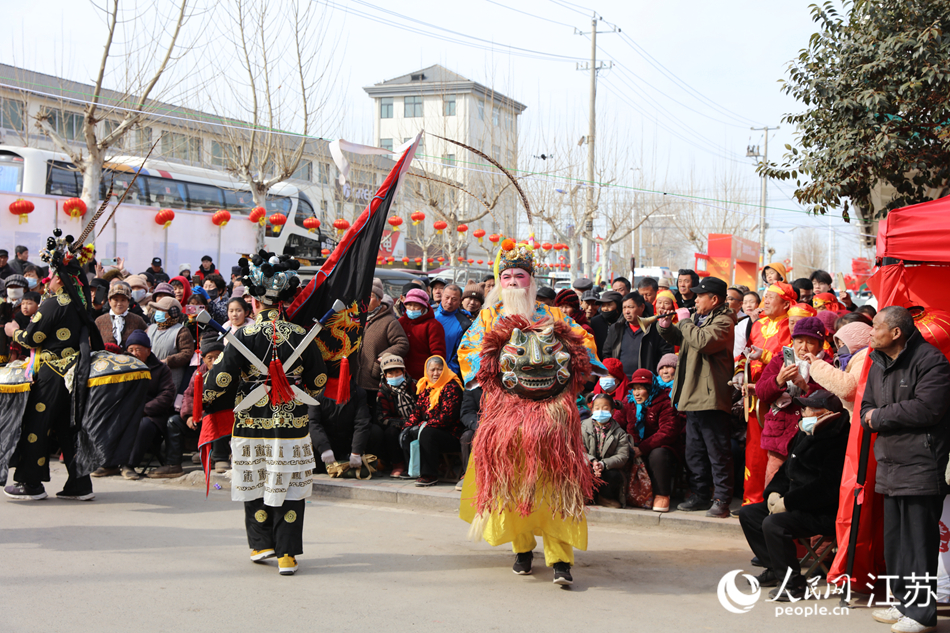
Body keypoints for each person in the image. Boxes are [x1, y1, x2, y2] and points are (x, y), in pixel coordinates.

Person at [458, 240, 603, 585]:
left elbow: (588, 348)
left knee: (556, 485)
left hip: (552, 418)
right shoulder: (488, 318)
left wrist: (572, 356)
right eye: (505, 276)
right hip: (507, 416)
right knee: (513, 483)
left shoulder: (553, 317)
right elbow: (467, 354)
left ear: (531, 280)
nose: (511, 282)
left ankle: (560, 558)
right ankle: (521, 549)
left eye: (519, 275)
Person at [202, 252, 328, 576]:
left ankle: (261, 545)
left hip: (251, 424)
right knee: (289, 487)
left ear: (253, 302)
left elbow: (220, 381)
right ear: (284, 300)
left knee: (255, 480)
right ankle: (287, 554)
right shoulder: (301, 336)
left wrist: (211, 400)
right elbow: (317, 381)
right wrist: (300, 397)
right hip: (291, 425)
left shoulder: (242, 336)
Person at [861, 307, 950, 633]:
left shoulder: (931, 361)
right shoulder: (877, 363)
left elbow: (928, 409)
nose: (871, 332)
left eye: (876, 327)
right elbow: (865, 409)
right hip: (889, 465)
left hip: (921, 466)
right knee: (896, 543)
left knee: (918, 544)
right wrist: (875, 416)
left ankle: (923, 614)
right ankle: (903, 604)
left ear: (896, 332)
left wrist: (880, 418)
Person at [3, 231, 101, 501]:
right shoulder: (81, 303)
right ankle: (80, 484)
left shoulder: (54, 302)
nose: (50, 279)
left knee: (37, 423)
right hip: (71, 373)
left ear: (62, 277)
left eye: (54, 274)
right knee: (65, 427)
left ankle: (30, 483)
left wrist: (13, 331)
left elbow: (32, 337)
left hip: (51, 373)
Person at [738, 390, 849, 601]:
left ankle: (795, 586)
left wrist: (788, 502)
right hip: (793, 501)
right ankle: (774, 568)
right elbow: (787, 468)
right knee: (749, 514)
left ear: (824, 413)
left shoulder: (838, 439)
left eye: (807, 408)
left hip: (821, 511)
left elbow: (827, 488)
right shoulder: (805, 432)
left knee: (774, 524)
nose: (803, 412)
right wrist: (773, 493)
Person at [657, 276, 736, 518]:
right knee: (695, 451)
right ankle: (700, 494)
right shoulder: (698, 319)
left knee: (717, 451)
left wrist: (684, 321)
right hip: (692, 393)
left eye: (700, 295)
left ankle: (721, 498)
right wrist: (665, 326)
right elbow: (679, 338)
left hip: (710, 396)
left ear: (714, 299)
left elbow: (702, 341)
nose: (696, 299)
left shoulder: (724, 321)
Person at [734, 281, 794, 506]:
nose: (765, 301)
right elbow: (744, 354)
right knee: (754, 449)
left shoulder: (791, 325)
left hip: (778, 399)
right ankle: (752, 500)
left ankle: (771, 501)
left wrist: (766, 356)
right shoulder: (757, 325)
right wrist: (741, 372)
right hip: (753, 397)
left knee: (775, 450)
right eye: (765, 296)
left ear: (786, 304)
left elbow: (790, 359)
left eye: (771, 297)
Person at [754, 317, 830, 486]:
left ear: (819, 345)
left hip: (810, 435)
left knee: (803, 482)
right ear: (792, 341)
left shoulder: (827, 365)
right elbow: (761, 392)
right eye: (799, 341)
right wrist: (778, 380)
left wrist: (805, 386)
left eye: (810, 342)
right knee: (774, 479)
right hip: (779, 432)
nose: (803, 347)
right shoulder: (779, 360)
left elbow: (831, 399)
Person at [148, 338, 227, 478]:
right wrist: (190, 415)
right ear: (203, 359)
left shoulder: (229, 373)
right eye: (210, 358)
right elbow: (189, 395)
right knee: (174, 422)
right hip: (198, 417)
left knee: (216, 416)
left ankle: (220, 458)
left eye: (218, 357)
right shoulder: (198, 373)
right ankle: (173, 465)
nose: (214, 361)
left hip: (219, 417)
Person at [108, 330, 176, 480]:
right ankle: (108, 464)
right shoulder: (122, 368)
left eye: (138, 349)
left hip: (151, 414)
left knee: (143, 425)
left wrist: (142, 410)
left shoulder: (161, 369)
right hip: (125, 411)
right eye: (131, 350)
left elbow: (166, 395)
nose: (134, 353)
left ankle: (128, 465)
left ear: (148, 350)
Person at [621, 368, 685, 513]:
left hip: (660, 447)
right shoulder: (628, 402)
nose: (636, 393)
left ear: (650, 388)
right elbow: (618, 422)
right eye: (634, 389)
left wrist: (642, 448)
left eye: (641, 388)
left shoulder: (664, 402)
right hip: (635, 445)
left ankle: (662, 495)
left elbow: (668, 431)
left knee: (658, 454)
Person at [399, 355, 463, 486]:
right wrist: (408, 426)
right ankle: (412, 470)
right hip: (430, 430)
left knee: (427, 433)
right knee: (406, 432)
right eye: (432, 370)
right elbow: (417, 412)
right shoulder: (425, 386)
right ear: (427, 371)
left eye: (439, 369)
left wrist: (425, 425)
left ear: (444, 369)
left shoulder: (451, 386)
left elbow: (447, 416)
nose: (435, 373)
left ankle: (429, 475)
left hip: (451, 434)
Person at [357, 278, 409, 417]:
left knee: (374, 416)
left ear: (380, 300)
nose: (367, 299)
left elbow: (402, 343)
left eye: (371, 296)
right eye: (365, 296)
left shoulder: (389, 321)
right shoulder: (356, 318)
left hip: (373, 379)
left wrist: (381, 359)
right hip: (354, 379)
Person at [806, 321, 871, 415]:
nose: (840, 350)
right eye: (839, 346)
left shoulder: (864, 357)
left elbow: (848, 389)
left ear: (857, 340)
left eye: (843, 344)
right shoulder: (855, 359)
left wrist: (817, 365)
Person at [602, 291, 673, 378]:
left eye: (631, 307)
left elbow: (665, 354)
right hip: (620, 381)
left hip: (646, 381)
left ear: (642, 307)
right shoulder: (616, 328)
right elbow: (607, 353)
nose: (627, 311)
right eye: (624, 308)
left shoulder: (655, 329)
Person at [309, 377, 372, 472]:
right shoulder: (317, 392)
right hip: (327, 440)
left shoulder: (358, 392)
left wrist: (356, 451)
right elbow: (313, 422)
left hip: (349, 440)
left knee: (375, 432)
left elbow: (361, 422)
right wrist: (324, 448)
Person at [582, 393, 630, 509]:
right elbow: (577, 450)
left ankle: (604, 498)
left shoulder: (620, 433)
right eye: (597, 408)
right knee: (583, 470)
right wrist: (592, 461)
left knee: (612, 475)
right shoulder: (581, 428)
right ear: (592, 410)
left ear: (613, 412)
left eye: (605, 408)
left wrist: (603, 464)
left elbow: (622, 456)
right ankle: (585, 496)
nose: (600, 411)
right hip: (588, 464)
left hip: (607, 468)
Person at [375, 354, 417, 478]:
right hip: (397, 424)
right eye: (390, 373)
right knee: (390, 433)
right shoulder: (383, 392)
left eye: (397, 372)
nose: (394, 376)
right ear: (385, 375)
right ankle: (398, 465)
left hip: (416, 420)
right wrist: (402, 423)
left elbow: (422, 406)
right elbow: (382, 418)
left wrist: (413, 420)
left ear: (404, 372)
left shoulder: (415, 386)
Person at [145, 296, 195, 392]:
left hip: (171, 378)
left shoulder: (181, 331)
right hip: (150, 376)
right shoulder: (150, 328)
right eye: (157, 310)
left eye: (161, 310)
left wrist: (167, 361)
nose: (158, 313)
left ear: (173, 313)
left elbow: (187, 353)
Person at [397, 288, 446, 381]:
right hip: (400, 374)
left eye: (416, 305)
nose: (412, 308)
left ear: (424, 307)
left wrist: (433, 373)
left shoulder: (433, 325)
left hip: (423, 376)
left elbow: (438, 353)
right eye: (409, 305)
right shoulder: (400, 322)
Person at [434, 283, 472, 376]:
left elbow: (461, 352)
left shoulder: (465, 323)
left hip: (448, 372)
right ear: (442, 296)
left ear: (460, 301)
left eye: (454, 299)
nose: (449, 302)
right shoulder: (429, 314)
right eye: (447, 297)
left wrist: (448, 372)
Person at [590, 290, 623, 359]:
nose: (605, 308)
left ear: (618, 306)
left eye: (609, 305)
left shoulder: (625, 323)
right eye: (603, 305)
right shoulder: (595, 322)